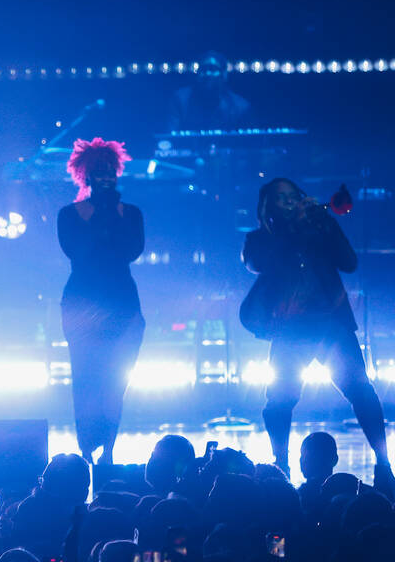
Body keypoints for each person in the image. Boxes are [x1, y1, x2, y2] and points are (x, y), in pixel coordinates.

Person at [240, 177, 393, 491]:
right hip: (291, 330)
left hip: (331, 326)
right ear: (268, 206)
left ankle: (383, 465)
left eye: (293, 196)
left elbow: (349, 262)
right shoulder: (260, 239)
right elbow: (258, 262)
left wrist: (326, 223)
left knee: (361, 392)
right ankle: (280, 465)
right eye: (281, 198)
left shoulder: (318, 229)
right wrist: (292, 229)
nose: (289, 202)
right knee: (279, 400)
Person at [57, 138, 145, 465]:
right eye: (99, 172)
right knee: (86, 376)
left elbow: (131, 251)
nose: (107, 177)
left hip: (122, 302)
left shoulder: (131, 214)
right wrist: (102, 214)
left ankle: (107, 448)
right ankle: (86, 447)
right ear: (87, 176)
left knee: (116, 379)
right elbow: (78, 251)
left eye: (111, 171)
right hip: (82, 302)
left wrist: (112, 214)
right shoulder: (69, 215)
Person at [165, 50, 252, 132]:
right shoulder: (180, 100)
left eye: (213, 69)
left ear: (224, 74)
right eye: (203, 69)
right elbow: (170, 138)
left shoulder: (240, 106)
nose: (207, 74)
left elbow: (247, 142)